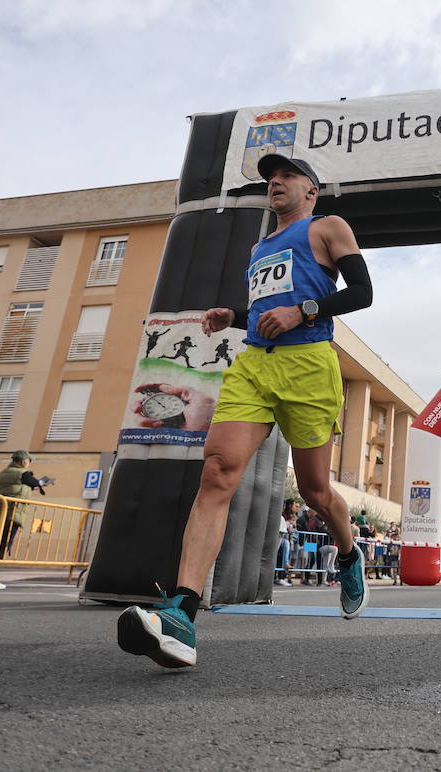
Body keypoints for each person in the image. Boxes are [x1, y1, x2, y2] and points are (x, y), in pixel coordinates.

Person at [117, 154, 375, 669]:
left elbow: (362, 294)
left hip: (309, 366)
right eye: (268, 179)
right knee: (217, 472)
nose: (274, 183)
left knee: (317, 493)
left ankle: (349, 555)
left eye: (285, 177)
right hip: (254, 366)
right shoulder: (259, 248)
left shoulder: (328, 227)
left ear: (311, 190)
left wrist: (303, 311)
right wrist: (233, 314)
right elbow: (266, 306)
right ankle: (181, 614)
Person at [0, 451, 45, 591]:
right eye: (29, 461)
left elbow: (20, 487)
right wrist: (42, 483)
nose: (29, 464)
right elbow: (34, 482)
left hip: (2, 512)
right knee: (3, 545)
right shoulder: (22, 473)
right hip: (11, 513)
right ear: (24, 461)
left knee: (0, 545)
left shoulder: (5, 472)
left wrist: (35, 486)